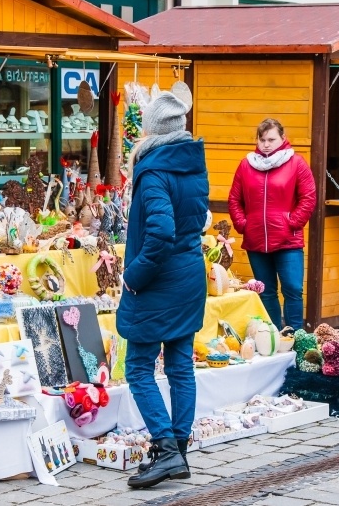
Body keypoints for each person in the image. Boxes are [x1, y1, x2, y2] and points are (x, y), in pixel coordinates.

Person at [116, 91, 208, 489]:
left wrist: (133, 275)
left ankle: (166, 449)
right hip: (188, 276)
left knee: (137, 367)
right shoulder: (191, 164)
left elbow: (160, 233)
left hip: (158, 281)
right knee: (180, 365)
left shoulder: (153, 171)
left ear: (152, 129)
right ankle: (178, 451)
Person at [227, 118, 316, 330]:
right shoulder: (246, 165)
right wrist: (244, 224)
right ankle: (273, 335)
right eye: (262, 139)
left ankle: (295, 337)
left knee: (293, 289)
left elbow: (308, 197)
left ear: (283, 139)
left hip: (288, 241)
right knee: (266, 291)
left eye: (271, 139)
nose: (266, 144)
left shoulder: (296, 163)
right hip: (256, 240)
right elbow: (234, 199)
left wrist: (292, 223)